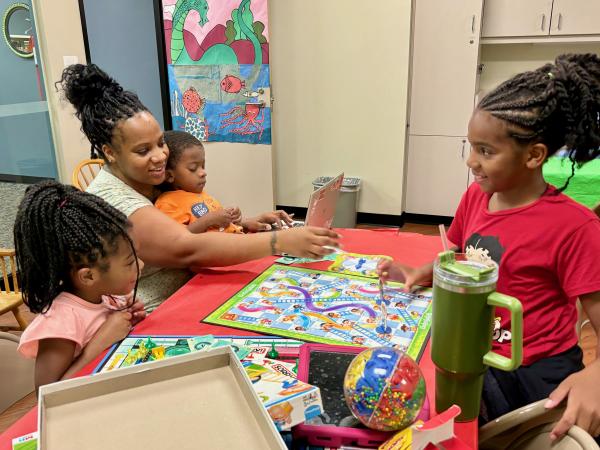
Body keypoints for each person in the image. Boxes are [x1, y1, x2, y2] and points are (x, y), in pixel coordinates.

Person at [379, 53, 600, 440]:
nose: (471, 162)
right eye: (471, 147)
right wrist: (420, 272)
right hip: (479, 353)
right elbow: (460, 255)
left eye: (486, 151)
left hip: (537, 371)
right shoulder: (476, 199)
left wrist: (595, 377)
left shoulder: (575, 228)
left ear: (534, 156)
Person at [58, 64, 339, 312]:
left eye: (160, 143)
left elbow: (194, 220)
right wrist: (279, 242)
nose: (160, 156)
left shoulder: (151, 179)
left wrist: (246, 224)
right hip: (153, 313)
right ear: (109, 153)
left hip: (195, 285)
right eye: (143, 151)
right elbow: (187, 247)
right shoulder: (113, 197)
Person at [14, 181, 146, 391]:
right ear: (88, 276)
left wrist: (129, 317)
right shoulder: (61, 323)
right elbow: (47, 394)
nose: (141, 265)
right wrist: (99, 343)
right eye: (130, 262)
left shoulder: (103, 295)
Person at [155, 130, 293, 234]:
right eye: (193, 168)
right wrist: (208, 220)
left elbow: (220, 226)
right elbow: (178, 238)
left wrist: (235, 218)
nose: (203, 172)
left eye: (203, 166)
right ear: (170, 176)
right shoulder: (168, 203)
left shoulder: (201, 195)